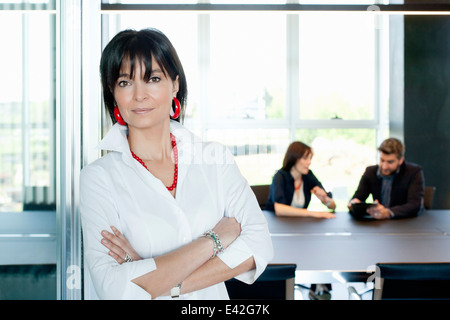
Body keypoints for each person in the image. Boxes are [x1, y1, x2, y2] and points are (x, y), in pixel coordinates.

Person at [79, 28, 273, 300]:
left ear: (175, 85)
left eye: (153, 79)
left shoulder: (215, 159)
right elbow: (114, 289)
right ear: (112, 92)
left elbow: (259, 247)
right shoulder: (98, 178)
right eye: (125, 82)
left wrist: (157, 280)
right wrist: (215, 240)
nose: (139, 95)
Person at [348, 137, 424, 219]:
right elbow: (358, 197)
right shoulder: (370, 172)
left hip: (404, 224)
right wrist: (354, 204)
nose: (384, 166)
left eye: (390, 162)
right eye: (382, 160)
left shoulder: (413, 172)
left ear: (401, 160)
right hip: (378, 224)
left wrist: (388, 212)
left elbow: (414, 205)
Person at [265, 141, 336, 219]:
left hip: (299, 224)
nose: (309, 162)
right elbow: (279, 209)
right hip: (276, 223)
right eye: (305, 158)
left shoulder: (308, 175)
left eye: (310, 158)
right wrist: (313, 213)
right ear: (294, 158)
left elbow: (333, 206)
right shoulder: (280, 176)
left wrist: (326, 200)